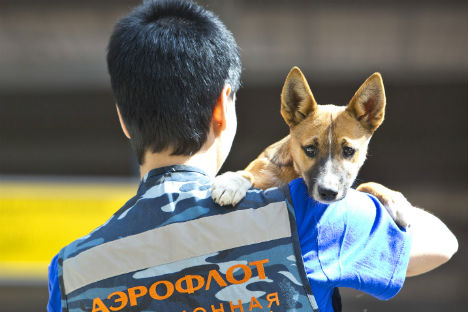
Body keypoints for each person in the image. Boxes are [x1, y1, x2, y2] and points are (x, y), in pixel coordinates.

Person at [47, 1, 458, 311]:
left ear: (122, 118)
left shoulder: (70, 271)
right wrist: (374, 194)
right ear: (223, 108)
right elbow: (441, 242)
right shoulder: (307, 219)